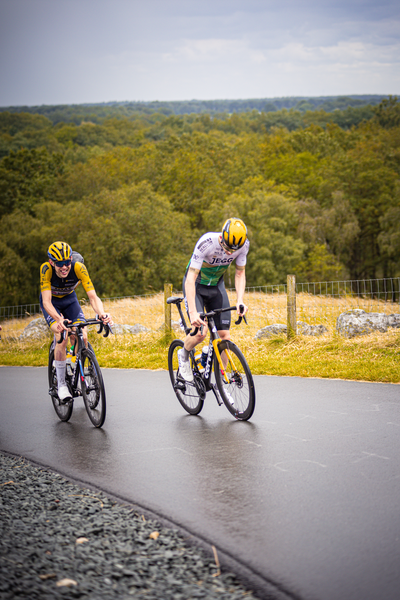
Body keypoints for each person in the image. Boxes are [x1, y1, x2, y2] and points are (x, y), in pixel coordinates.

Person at [178, 217, 249, 382]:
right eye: (227, 248)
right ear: (221, 237)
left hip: (216, 286)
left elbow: (240, 273)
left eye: (234, 250)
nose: (230, 253)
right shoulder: (206, 242)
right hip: (196, 286)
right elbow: (190, 278)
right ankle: (183, 353)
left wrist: (240, 300)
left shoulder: (244, 245)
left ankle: (220, 380)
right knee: (200, 334)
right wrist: (193, 312)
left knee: (224, 335)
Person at [40, 241, 112, 402]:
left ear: (71, 259)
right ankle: (61, 385)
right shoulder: (46, 269)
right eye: (60, 264)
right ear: (52, 262)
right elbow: (46, 302)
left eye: (67, 262)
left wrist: (101, 313)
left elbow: (93, 296)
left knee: (82, 335)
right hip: (52, 304)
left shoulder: (79, 267)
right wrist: (59, 319)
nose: (64, 267)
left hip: (70, 301)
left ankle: (73, 364)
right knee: (62, 335)